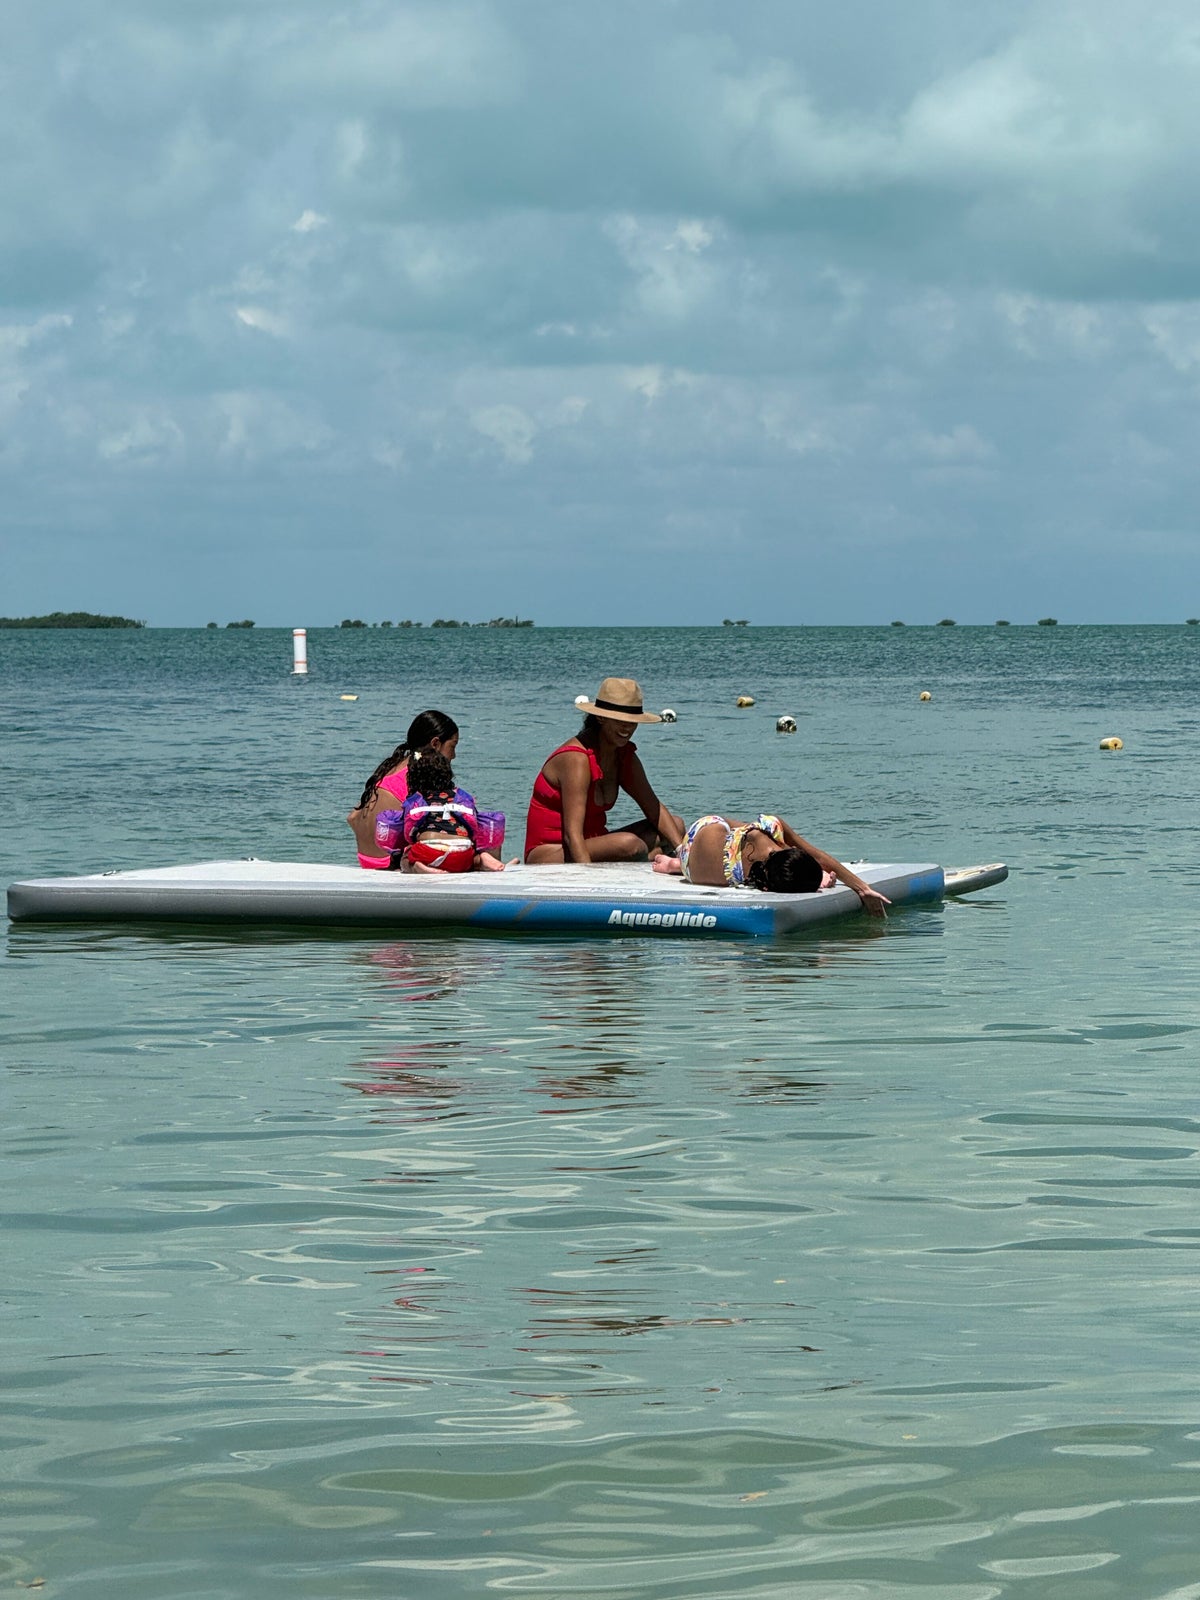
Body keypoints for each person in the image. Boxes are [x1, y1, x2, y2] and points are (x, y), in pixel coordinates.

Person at [524, 678, 685, 865]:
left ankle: (657, 861)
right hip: (550, 852)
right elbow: (572, 835)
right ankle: (646, 860)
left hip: (594, 842)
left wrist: (683, 854)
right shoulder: (577, 759)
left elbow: (653, 808)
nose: (627, 728)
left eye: (632, 722)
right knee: (631, 845)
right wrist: (590, 883)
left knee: (676, 826)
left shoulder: (623, 756)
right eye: (620, 721)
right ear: (600, 717)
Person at [654, 811, 891, 915]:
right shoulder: (760, 881)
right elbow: (817, 856)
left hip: (696, 841)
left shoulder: (768, 830)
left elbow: (814, 856)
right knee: (753, 835)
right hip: (691, 870)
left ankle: (674, 863)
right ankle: (672, 865)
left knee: (743, 831)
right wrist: (862, 888)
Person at [348, 710, 460, 869]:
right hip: (392, 863)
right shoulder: (422, 773)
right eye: (452, 746)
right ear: (435, 743)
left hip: (367, 860)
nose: (454, 755)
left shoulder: (392, 767)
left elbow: (353, 818)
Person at [375, 749, 508, 874]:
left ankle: (417, 867)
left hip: (428, 852)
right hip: (463, 852)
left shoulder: (416, 800)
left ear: (413, 777)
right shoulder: (460, 797)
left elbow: (406, 833)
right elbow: (474, 825)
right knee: (472, 861)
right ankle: (481, 860)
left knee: (405, 858)